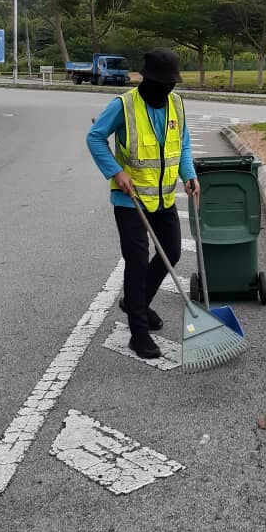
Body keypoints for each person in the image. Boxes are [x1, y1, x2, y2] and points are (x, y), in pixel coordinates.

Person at [86, 48, 199, 360]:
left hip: (163, 197)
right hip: (130, 200)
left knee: (172, 252)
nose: (166, 90)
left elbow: (183, 141)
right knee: (136, 263)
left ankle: (137, 302)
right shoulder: (123, 105)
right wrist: (115, 171)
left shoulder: (176, 103)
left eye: (170, 84)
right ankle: (138, 332)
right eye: (161, 84)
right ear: (146, 80)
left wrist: (189, 174)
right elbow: (95, 138)